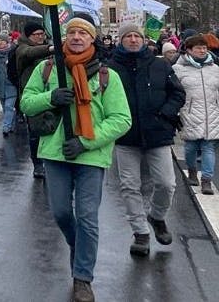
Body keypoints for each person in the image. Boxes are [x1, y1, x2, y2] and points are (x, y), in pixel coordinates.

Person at [20, 15, 131, 302]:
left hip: (90, 157)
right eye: (72, 33)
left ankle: (83, 278)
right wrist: (51, 98)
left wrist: (85, 142)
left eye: (83, 33)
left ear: (92, 39)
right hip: (56, 153)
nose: (77, 37)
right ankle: (78, 245)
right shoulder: (47, 68)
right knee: (60, 212)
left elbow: (121, 119)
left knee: (88, 218)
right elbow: (26, 102)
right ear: (65, 37)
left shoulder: (108, 76)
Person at [106, 22, 185, 256]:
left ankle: (157, 216)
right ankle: (140, 232)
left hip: (157, 133)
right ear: (120, 40)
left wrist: (166, 114)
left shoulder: (160, 65)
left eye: (136, 36)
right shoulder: (110, 68)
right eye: (127, 36)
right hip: (125, 136)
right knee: (130, 186)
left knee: (166, 184)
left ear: (143, 40)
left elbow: (178, 93)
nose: (132, 40)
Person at [173, 35, 219, 194]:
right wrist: (177, 113)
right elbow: (174, 92)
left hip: (211, 114)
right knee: (191, 147)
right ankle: (192, 171)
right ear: (189, 50)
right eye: (198, 48)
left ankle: (206, 180)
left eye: (204, 48)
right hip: (189, 114)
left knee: (209, 147)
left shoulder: (215, 69)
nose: (202, 50)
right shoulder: (178, 69)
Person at [16, 21, 53, 178]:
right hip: (31, 95)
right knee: (35, 132)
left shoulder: (46, 48)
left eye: (41, 34)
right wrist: (50, 48)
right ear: (28, 36)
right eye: (36, 35)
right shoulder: (22, 48)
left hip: (50, 93)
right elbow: (28, 53)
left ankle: (50, 161)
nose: (39, 37)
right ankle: (37, 164)